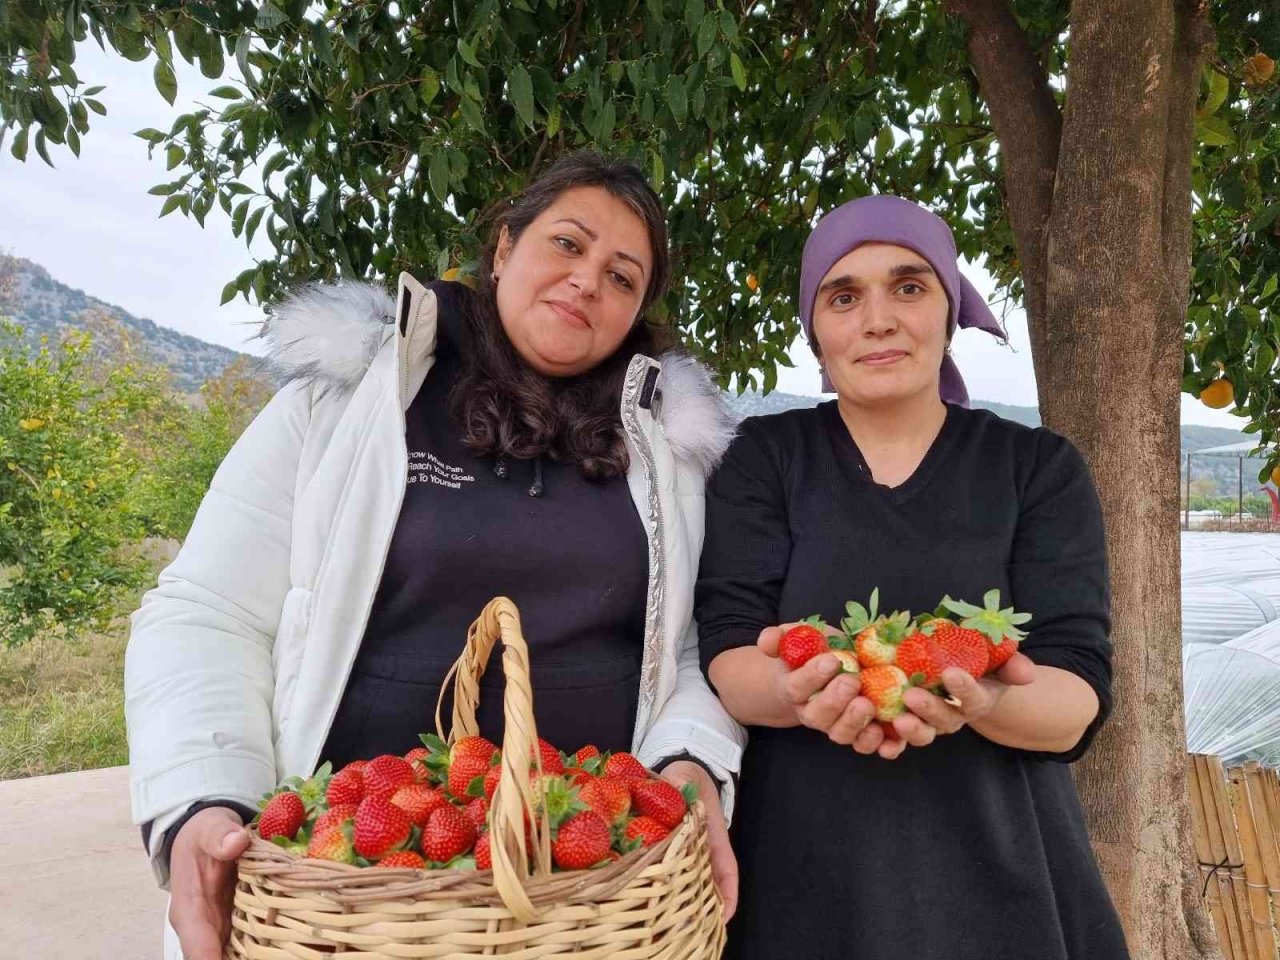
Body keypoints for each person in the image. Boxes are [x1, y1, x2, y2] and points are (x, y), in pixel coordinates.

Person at [125, 151, 745, 960]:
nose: (588, 280)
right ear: (503, 247)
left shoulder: (668, 458)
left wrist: (692, 764)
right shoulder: (349, 401)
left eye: (623, 277)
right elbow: (207, 610)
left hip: (584, 906)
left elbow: (696, 648)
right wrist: (204, 801)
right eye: (567, 243)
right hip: (333, 899)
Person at [695, 195, 1129, 959]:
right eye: (844, 296)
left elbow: (1074, 696)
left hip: (1003, 875)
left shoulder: (1038, 469)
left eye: (908, 286)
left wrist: (985, 700)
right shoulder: (764, 458)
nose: (878, 319)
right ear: (816, 328)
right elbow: (732, 654)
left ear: (949, 309)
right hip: (798, 872)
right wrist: (806, 692)